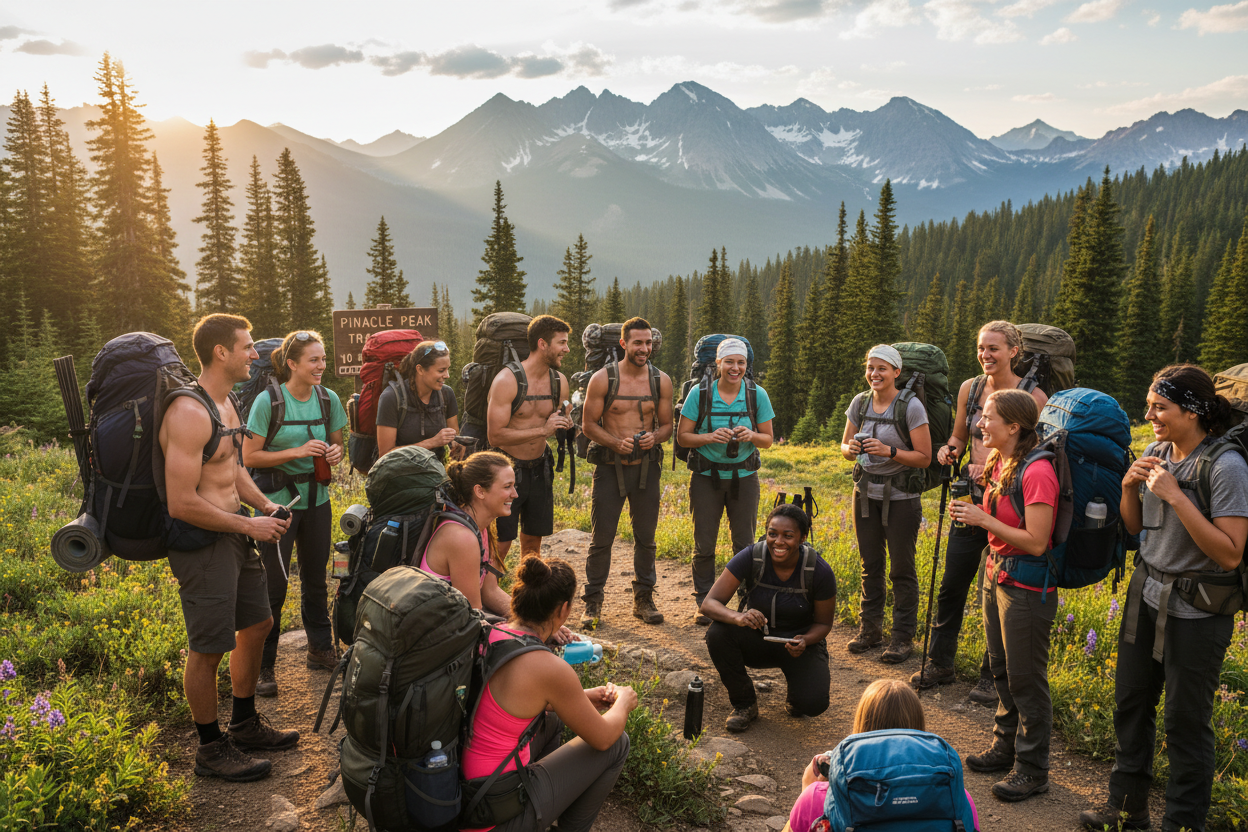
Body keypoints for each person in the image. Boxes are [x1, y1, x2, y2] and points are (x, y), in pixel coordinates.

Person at [1080, 365, 1248, 832]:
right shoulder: (1156, 452)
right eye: (1149, 405)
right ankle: (1126, 808)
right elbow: (1135, 528)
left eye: (1160, 407)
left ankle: (1183, 823)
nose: (1149, 415)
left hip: (1199, 611)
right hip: (1147, 596)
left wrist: (1176, 496)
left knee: (1186, 721)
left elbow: (1230, 553)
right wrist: (1128, 487)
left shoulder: (1226, 467)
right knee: (1131, 704)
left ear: (1192, 411)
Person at [160, 313, 299, 782]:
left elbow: (233, 469)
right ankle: (209, 748)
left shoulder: (228, 403)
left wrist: (265, 505)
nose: (256, 355)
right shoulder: (188, 412)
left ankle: (243, 723)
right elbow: (181, 502)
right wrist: (248, 525)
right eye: (248, 346)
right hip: (201, 543)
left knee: (258, 623)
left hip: (236, 533)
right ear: (221, 352)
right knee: (208, 647)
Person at [915, 321, 1049, 701]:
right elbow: (960, 434)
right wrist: (950, 450)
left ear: (1013, 352)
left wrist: (990, 468)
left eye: (994, 348)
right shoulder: (970, 389)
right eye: (981, 348)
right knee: (952, 582)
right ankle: (940, 662)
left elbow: (1034, 448)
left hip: (1009, 501)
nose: (985, 355)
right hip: (970, 498)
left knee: (999, 589)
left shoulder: (1033, 395)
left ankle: (993, 675)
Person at [462, 556, 637, 832]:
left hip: (467, 793)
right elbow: (604, 738)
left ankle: (540, 809)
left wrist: (582, 696)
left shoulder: (494, 633)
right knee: (618, 744)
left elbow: (515, 702)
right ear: (563, 609)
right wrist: (624, 702)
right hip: (493, 815)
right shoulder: (548, 667)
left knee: (552, 721)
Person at [949, 389, 1059, 803]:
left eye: (988, 417)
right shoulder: (1001, 460)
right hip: (996, 572)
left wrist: (983, 519)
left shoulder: (1038, 471)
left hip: (1027, 585)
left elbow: (1037, 541)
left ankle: (1032, 769)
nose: (979, 423)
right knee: (1001, 668)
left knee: (1026, 678)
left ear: (1014, 427)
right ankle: (1004, 746)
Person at [242, 329, 348, 698]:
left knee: (317, 577)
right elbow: (249, 457)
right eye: (313, 360)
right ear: (292, 364)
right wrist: (298, 451)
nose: (321, 366)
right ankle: (263, 664)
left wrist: (336, 453)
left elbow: (337, 444)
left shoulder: (328, 398)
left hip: (317, 500)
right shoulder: (268, 402)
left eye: (323, 359)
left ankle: (320, 648)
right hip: (276, 504)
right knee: (274, 584)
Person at [700, 504, 835, 733]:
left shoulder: (818, 570)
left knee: (812, 704)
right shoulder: (752, 556)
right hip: (759, 638)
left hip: (798, 644)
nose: (778, 542)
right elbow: (709, 603)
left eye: (788, 536)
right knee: (718, 633)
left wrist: (806, 640)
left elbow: (823, 624)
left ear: (802, 538)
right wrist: (739, 617)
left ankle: (796, 695)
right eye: (772, 534)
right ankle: (745, 704)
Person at [784, 680, 980, 832]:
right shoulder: (957, 798)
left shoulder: (818, 797)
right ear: (919, 730)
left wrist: (807, 791)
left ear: (861, 727)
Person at [839, 344, 933, 663]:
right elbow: (843, 446)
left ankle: (902, 638)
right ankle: (870, 631)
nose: (874, 374)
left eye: (882, 368)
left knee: (902, 569)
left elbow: (924, 457)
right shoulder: (860, 402)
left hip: (902, 497)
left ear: (896, 372)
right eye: (870, 368)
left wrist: (889, 451)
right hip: (865, 493)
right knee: (870, 564)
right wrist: (851, 449)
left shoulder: (911, 407)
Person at [579, 317, 674, 628]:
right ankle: (592, 602)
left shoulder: (661, 381)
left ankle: (643, 599)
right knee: (601, 538)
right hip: (610, 469)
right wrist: (614, 442)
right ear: (624, 344)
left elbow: (667, 426)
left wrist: (654, 437)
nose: (644, 349)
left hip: (647, 469)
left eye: (648, 343)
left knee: (646, 538)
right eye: (638, 343)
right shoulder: (603, 379)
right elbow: (588, 425)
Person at [677, 337, 775, 625]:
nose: (735, 368)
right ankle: (704, 602)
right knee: (704, 544)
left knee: (744, 544)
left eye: (740, 363)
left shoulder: (757, 394)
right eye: (729, 362)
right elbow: (683, 437)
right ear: (717, 364)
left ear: (746, 365)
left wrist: (751, 435)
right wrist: (709, 437)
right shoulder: (700, 393)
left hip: (744, 477)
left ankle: (746, 600)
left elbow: (767, 439)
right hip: (706, 477)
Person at [487, 315, 572, 562]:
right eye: (562, 342)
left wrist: (566, 422)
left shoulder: (559, 381)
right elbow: (494, 436)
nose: (567, 349)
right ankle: (488, 586)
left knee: (534, 544)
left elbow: (563, 413)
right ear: (542, 344)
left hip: (540, 468)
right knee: (501, 544)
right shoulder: (507, 380)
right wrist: (543, 431)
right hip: (506, 469)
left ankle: (526, 586)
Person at [420, 451, 515, 618]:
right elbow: (473, 613)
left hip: (457, 621)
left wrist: (532, 621)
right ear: (480, 491)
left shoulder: (481, 527)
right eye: (507, 487)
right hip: (439, 626)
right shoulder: (462, 538)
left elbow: (490, 590)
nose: (515, 494)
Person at [375, 339, 459, 462]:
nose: (447, 375)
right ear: (420, 369)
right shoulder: (391, 397)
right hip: (399, 470)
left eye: (447, 369)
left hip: (437, 470)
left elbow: (455, 436)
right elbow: (384, 455)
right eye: (441, 370)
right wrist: (431, 443)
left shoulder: (446, 394)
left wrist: (457, 445)